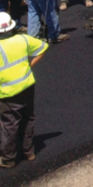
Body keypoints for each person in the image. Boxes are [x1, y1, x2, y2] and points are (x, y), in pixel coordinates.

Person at [0, 11, 47, 168]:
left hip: (7, 93)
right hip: (27, 87)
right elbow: (42, 47)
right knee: (28, 119)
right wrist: (30, 65)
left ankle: (8, 159)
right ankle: (29, 152)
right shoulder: (23, 39)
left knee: (9, 124)